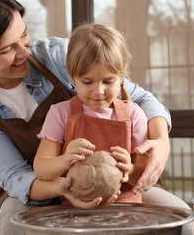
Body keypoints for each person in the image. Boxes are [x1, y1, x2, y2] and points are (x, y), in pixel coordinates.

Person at [0, 0, 194, 235]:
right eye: (7, 49)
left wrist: (162, 142)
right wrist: (65, 187)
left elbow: (140, 98)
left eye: (24, 35)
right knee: (10, 224)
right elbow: (14, 176)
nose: (24, 52)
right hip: (40, 192)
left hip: (122, 188)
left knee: (182, 220)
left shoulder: (58, 55)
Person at [34, 23, 148, 204]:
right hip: (75, 209)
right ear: (73, 77)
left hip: (126, 209)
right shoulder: (60, 113)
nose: (99, 91)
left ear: (122, 77)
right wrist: (64, 161)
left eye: (108, 81)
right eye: (87, 82)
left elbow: (147, 175)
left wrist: (131, 169)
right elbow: (41, 168)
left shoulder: (134, 115)